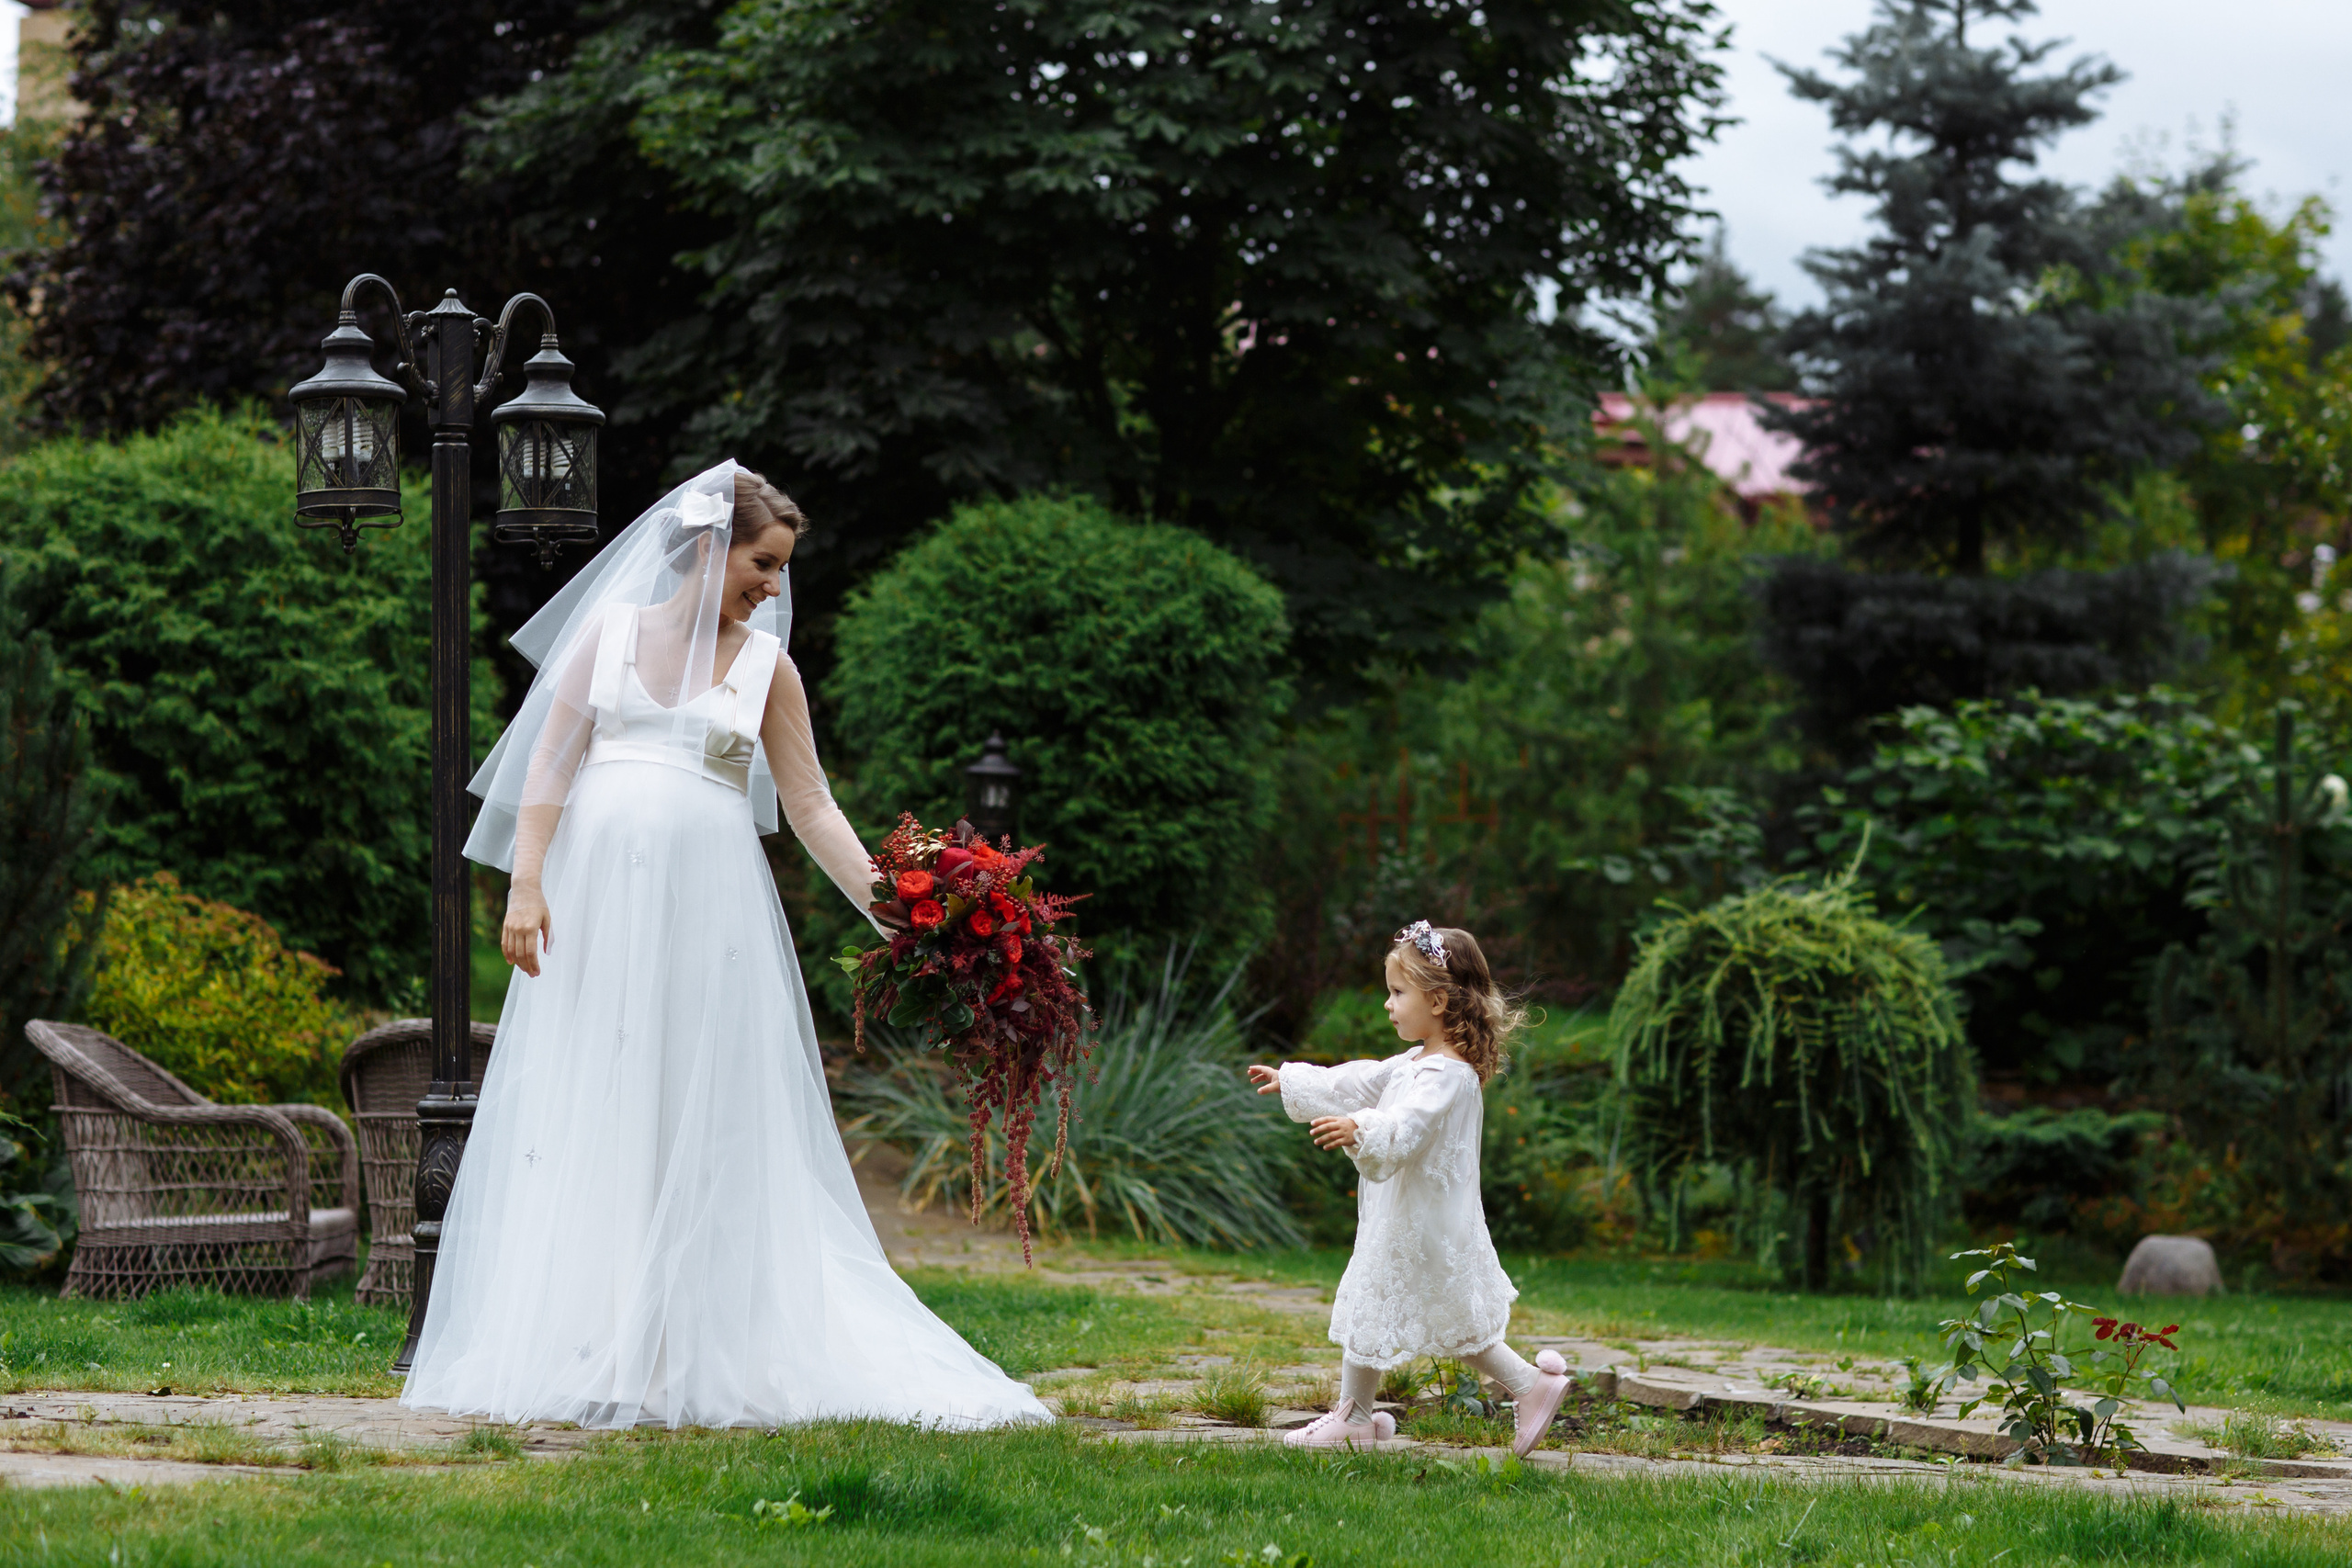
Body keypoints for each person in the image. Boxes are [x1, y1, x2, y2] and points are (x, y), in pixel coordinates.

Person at [401, 460, 1051, 1431]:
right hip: (598, 916)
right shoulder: (609, 636)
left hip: (711, 921)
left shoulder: (766, 666)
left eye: (782, 569)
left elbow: (812, 806)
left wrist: (908, 914)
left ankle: (689, 1343)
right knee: (603, 1108)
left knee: (694, 1114)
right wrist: (526, 881)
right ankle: (593, 1340)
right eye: (764, 562)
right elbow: (549, 758)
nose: (773, 586)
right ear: (709, 547)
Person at [1249, 921, 1568, 1455]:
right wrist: (1300, 1081)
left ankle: (1525, 1388)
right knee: (1401, 1305)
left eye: (1398, 993)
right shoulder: (1419, 1063)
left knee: (1414, 1309)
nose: (1387, 1004)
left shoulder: (1446, 1075)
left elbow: (1407, 1127)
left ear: (1439, 1000)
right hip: (1411, 1216)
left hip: (1422, 1221)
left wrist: (1360, 1128)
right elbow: (1363, 1079)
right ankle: (1361, 1414)